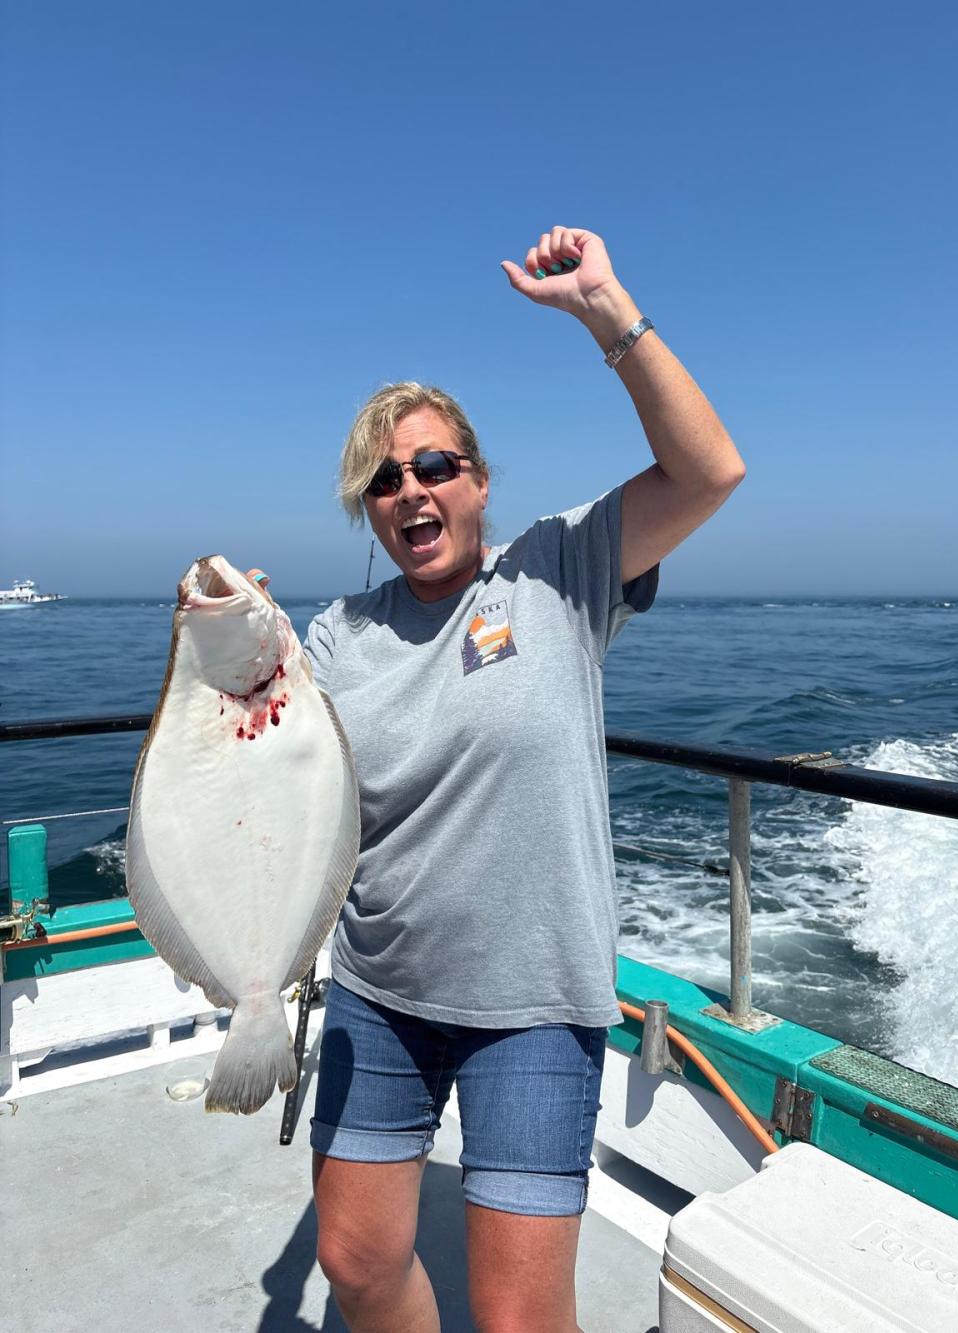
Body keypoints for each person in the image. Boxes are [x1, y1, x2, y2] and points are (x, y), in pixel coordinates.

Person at [304, 226, 745, 1333]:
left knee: (516, 1318)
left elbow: (708, 472)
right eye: (383, 478)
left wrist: (607, 311)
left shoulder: (557, 569)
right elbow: (271, 784)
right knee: (356, 1264)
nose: (411, 489)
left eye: (434, 465)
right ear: (368, 507)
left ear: (477, 481)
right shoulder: (334, 637)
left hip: (534, 1008)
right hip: (376, 992)